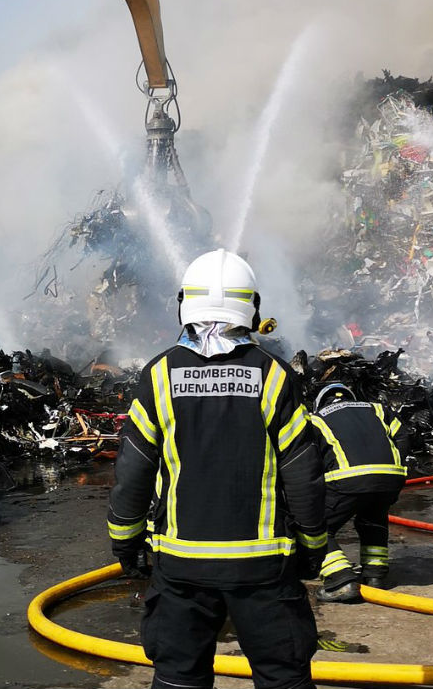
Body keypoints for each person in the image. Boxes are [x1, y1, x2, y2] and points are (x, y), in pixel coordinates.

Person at [108, 248, 326, 689]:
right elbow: (303, 473)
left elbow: (133, 471)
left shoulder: (158, 375)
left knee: (178, 678)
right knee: (283, 675)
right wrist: (313, 547)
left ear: (184, 303)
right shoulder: (274, 376)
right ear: (253, 307)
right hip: (262, 568)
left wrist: (124, 543)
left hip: (180, 567)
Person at [309, 383, 410, 603]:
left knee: (316, 527)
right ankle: (375, 576)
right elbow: (402, 434)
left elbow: (309, 459)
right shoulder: (377, 409)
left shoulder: (316, 419)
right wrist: (395, 465)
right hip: (391, 478)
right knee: (373, 520)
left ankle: (341, 580)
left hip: (348, 480)